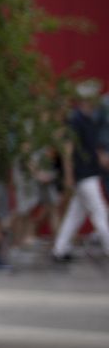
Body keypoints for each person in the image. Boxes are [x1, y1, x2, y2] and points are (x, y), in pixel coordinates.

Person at [51, 80, 109, 265]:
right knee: (99, 211)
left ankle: (60, 249)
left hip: (90, 171)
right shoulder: (75, 120)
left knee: (75, 214)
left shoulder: (92, 117)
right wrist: (69, 175)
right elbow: (67, 149)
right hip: (83, 173)